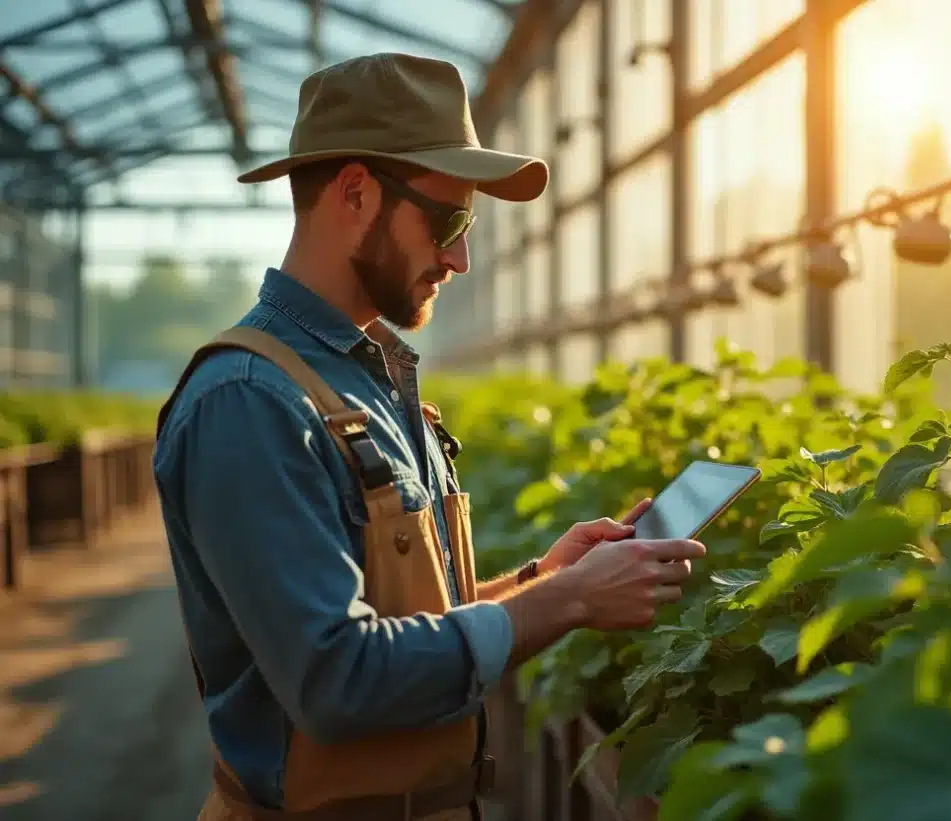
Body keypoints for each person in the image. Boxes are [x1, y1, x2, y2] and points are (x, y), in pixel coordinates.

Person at [152, 52, 706, 821]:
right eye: (448, 219)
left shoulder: (367, 378)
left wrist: (544, 577)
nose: (460, 256)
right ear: (354, 193)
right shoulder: (250, 403)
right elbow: (337, 676)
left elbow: (398, 618)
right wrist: (568, 602)